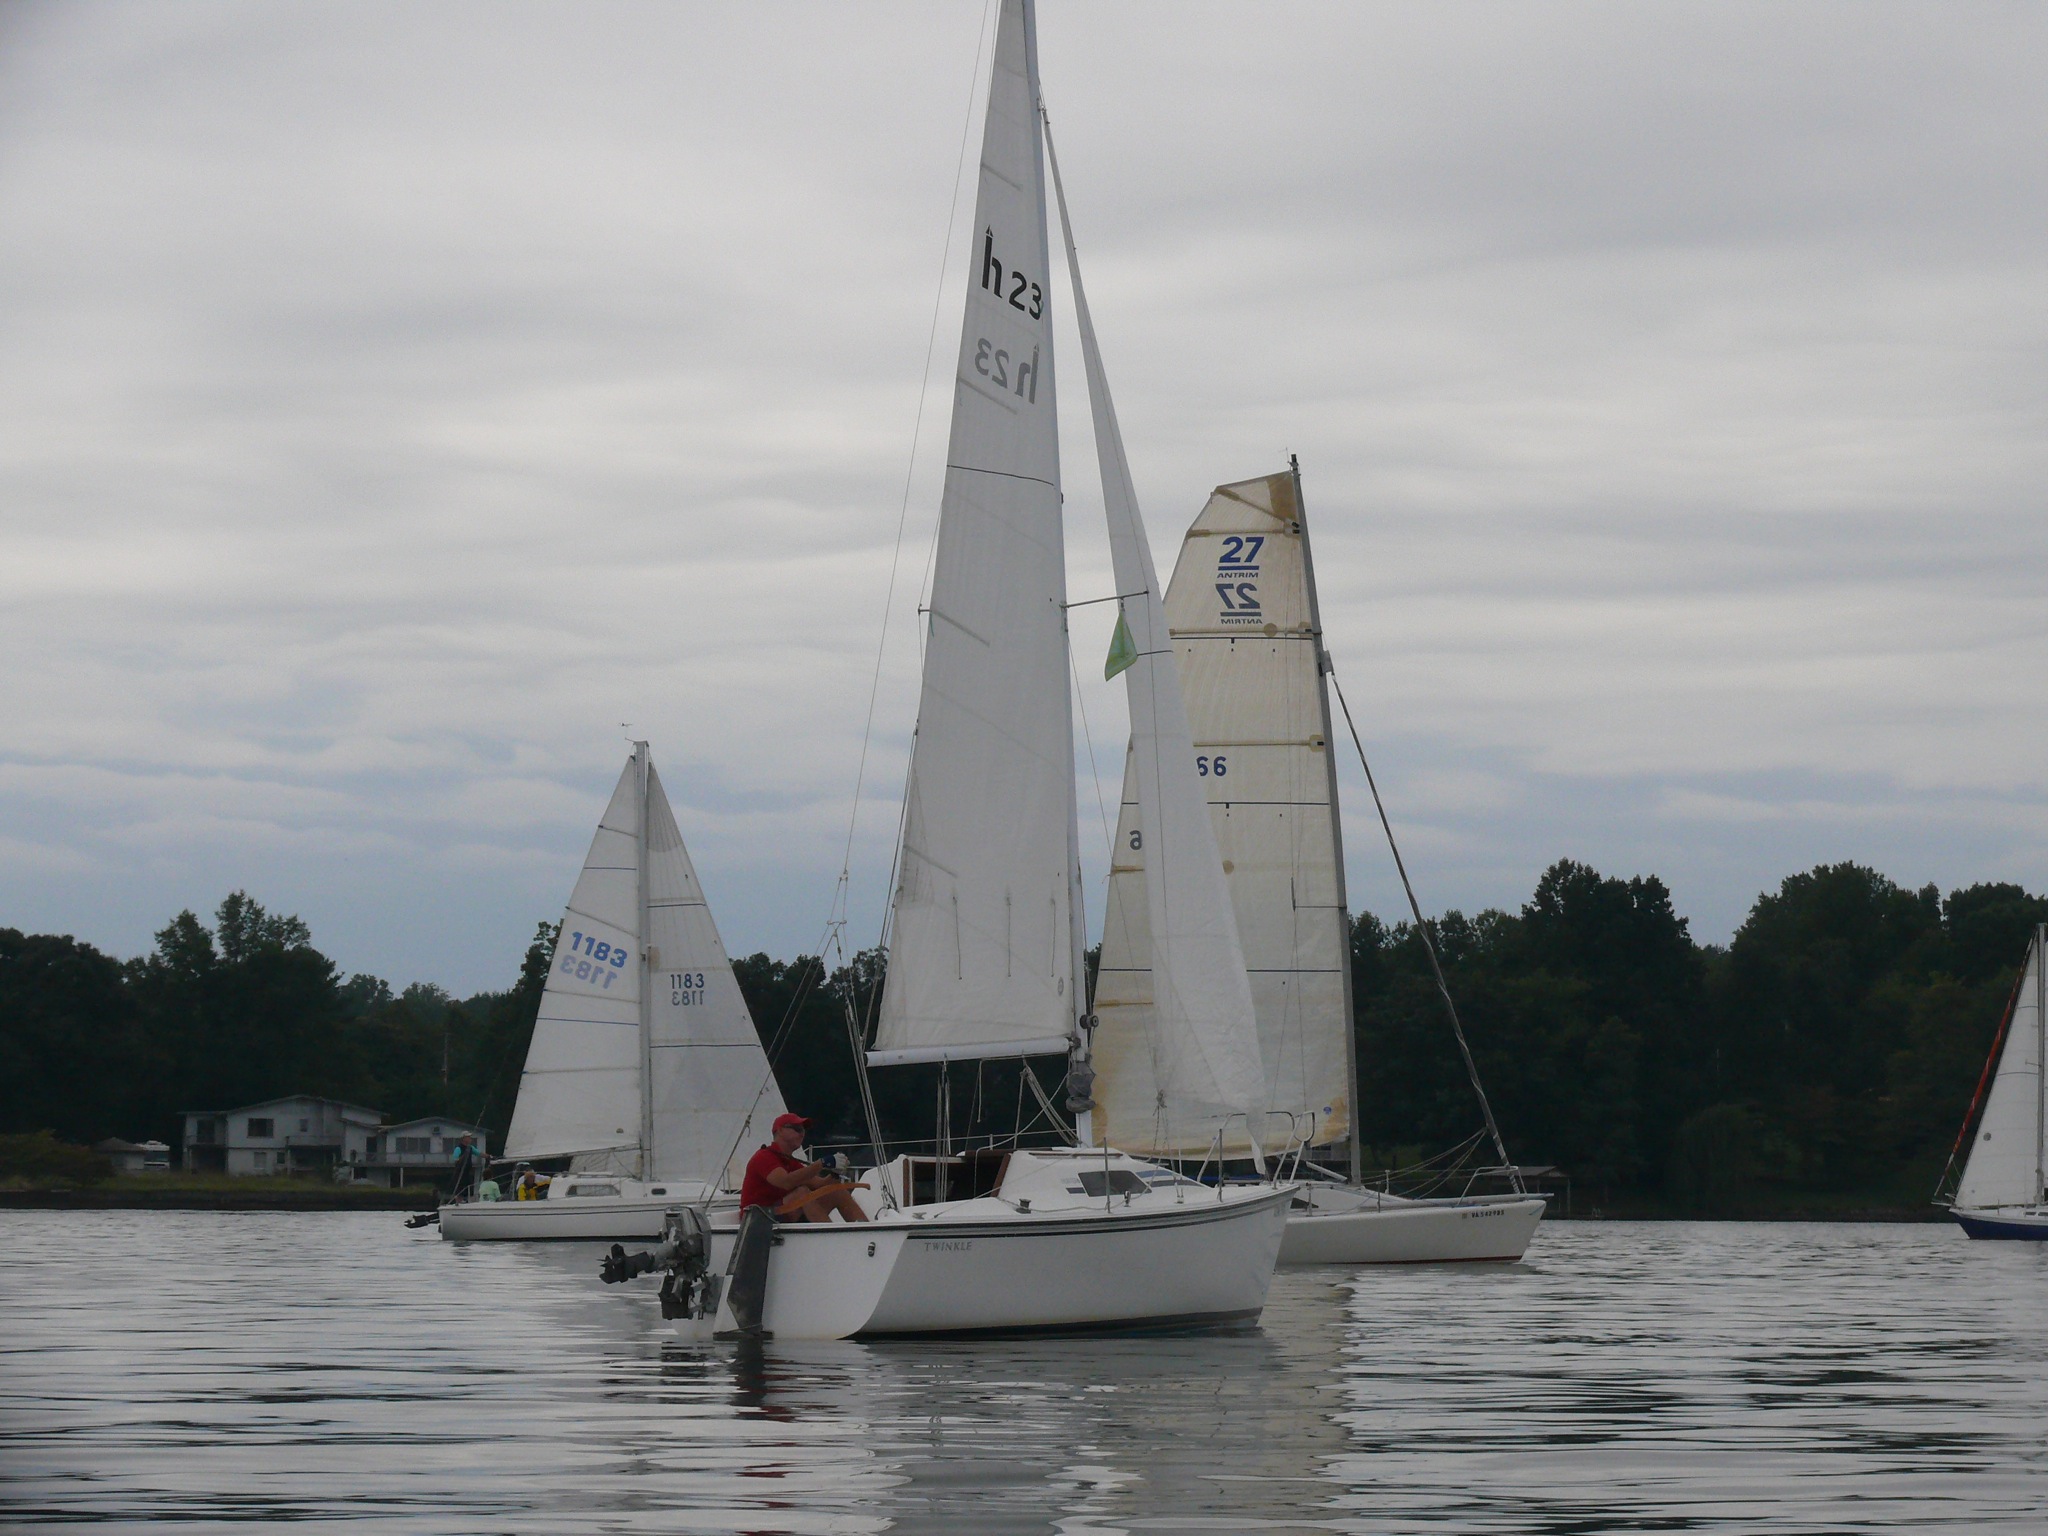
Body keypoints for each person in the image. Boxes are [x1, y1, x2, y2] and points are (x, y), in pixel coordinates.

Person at [739, 1113, 867, 1223]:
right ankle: (831, 1238)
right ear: (779, 1130)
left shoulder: (790, 1161)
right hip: (758, 1218)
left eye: (803, 1130)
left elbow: (820, 1185)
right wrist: (821, 1163)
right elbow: (785, 1182)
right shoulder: (764, 1157)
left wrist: (835, 1174)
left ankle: (866, 1234)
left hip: (780, 1214)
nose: (802, 1134)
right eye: (797, 1129)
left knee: (836, 1192)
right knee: (802, 1192)